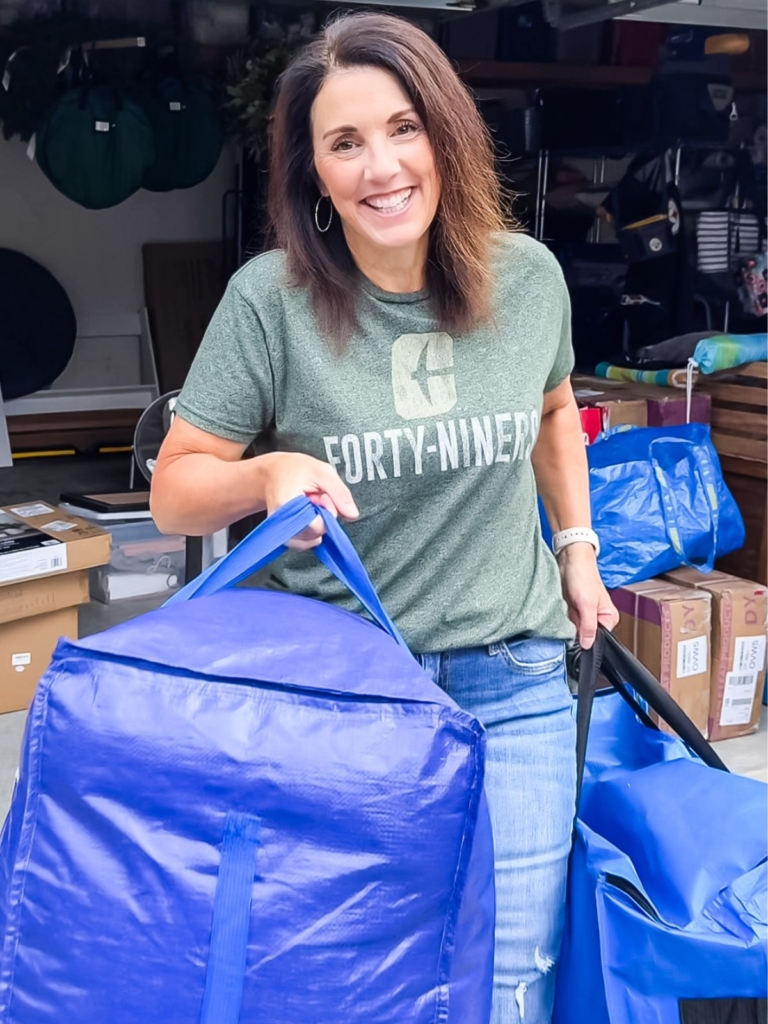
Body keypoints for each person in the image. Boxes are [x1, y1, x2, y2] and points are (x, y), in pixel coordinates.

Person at [151, 12, 618, 1023]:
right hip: (340, 689)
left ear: (446, 134)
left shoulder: (528, 278)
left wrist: (577, 548)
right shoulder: (269, 302)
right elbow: (174, 488)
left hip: (514, 677)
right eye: (345, 143)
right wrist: (265, 475)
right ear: (314, 174)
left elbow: (553, 410)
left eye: (404, 128)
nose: (382, 167)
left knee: (512, 974)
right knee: (355, 976)